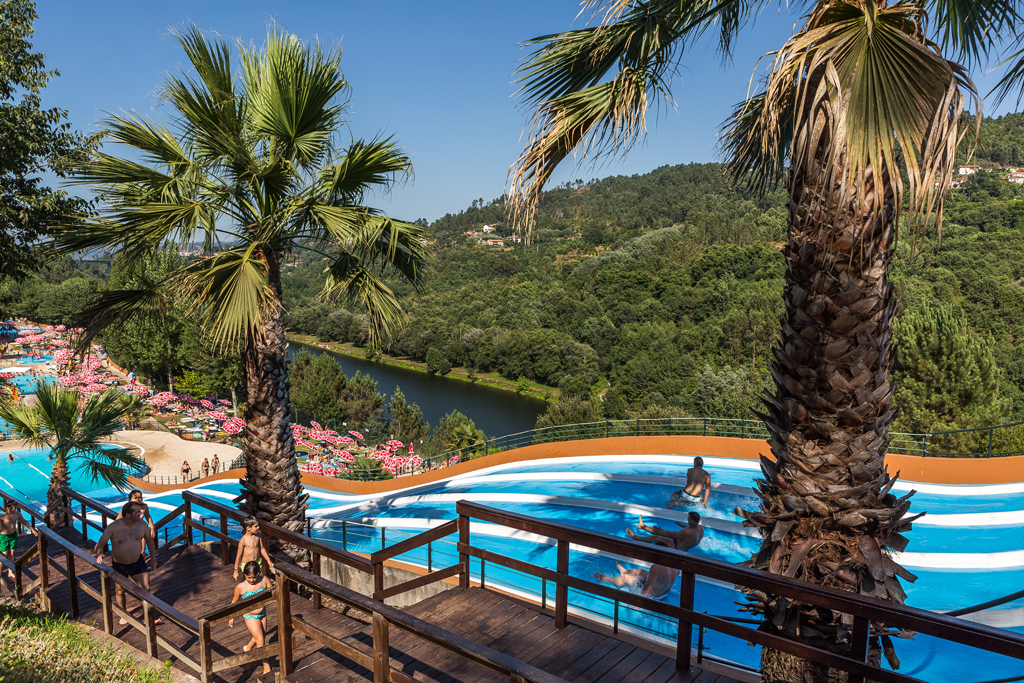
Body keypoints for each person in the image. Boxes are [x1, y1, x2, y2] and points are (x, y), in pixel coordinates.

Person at [93, 501, 159, 626]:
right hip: (120, 565)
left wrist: (154, 558)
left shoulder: (142, 525)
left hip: (138, 562)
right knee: (120, 591)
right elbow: (99, 544)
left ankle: (147, 617)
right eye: (137, 511)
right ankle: (123, 614)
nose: (141, 513)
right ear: (128, 514)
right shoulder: (114, 527)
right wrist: (99, 554)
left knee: (146, 588)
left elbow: (150, 542)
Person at [594, 539, 680, 599]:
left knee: (626, 577)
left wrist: (636, 605)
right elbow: (675, 573)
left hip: (654, 596)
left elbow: (646, 589)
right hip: (664, 593)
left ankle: (607, 579)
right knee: (640, 571)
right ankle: (624, 570)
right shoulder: (674, 563)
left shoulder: (656, 567)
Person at [228, 561, 273, 675]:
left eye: (254, 577)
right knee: (261, 641)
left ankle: (248, 648)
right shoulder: (241, 587)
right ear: (244, 574)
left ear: (258, 573)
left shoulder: (264, 581)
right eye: (249, 577)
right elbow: (234, 603)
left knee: (262, 635)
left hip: (263, 613)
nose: (252, 580)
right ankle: (266, 666)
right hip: (250, 616)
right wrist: (231, 617)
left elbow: (272, 592)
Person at [626, 512, 705, 552]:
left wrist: (661, 531)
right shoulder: (700, 528)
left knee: (658, 536)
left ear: (692, 520)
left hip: (677, 549)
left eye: (688, 518)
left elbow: (670, 534)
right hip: (680, 543)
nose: (687, 520)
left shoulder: (688, 533)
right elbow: (689, 528)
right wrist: (682, 525)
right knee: (660, 532)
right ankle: (642, 526)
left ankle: (636, 538)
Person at [0, 499, 36, 582]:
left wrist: (31, 529)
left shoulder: (17, 514)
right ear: (7, 507)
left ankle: (10, 571)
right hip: (3, 537)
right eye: (12, 508)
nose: (14, 509)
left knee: (11, 553)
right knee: (3, 555)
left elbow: (24, 521)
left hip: (13, 536)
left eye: (15, 508)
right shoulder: (2, 517)